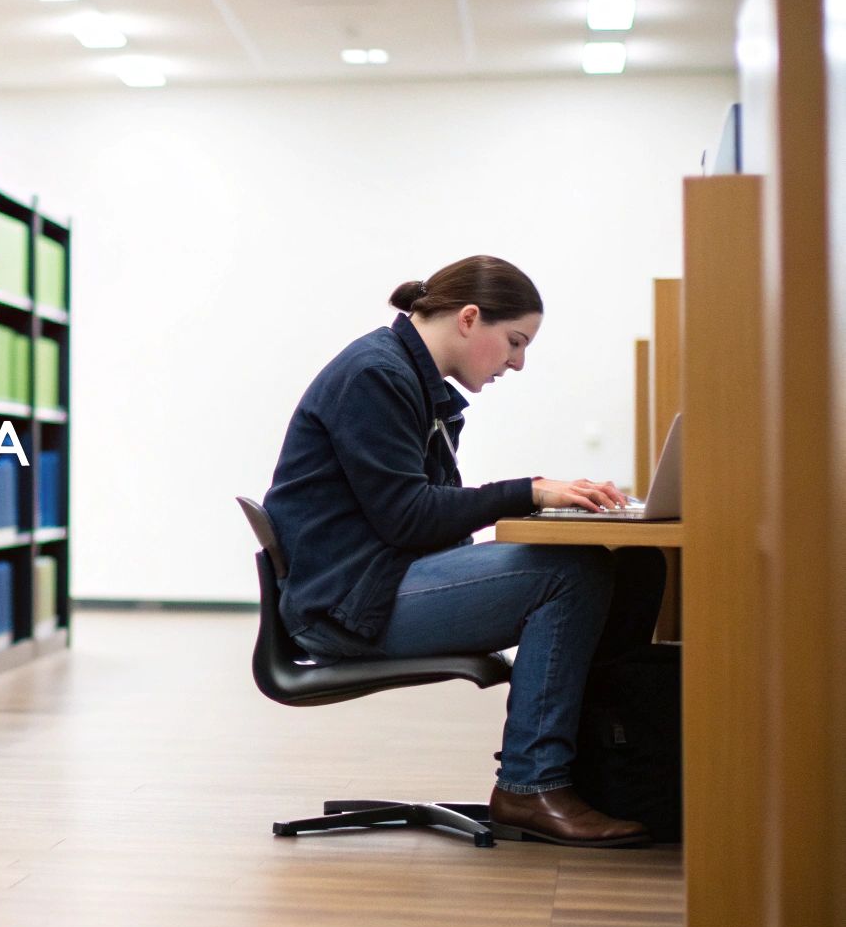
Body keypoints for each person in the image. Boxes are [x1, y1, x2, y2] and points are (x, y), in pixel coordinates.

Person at [262, 254, 664, 847]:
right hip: (347, 606)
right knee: (572, 573)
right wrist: (527, 493)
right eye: (515, 342)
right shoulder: (376, 375)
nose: (518, 363)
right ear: (470, 318)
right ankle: (531, 784)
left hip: (372, 582)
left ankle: (599, 771)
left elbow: (424, 516)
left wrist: (534, 504)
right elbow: (407, 517)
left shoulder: (412, 380)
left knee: (632, 567)